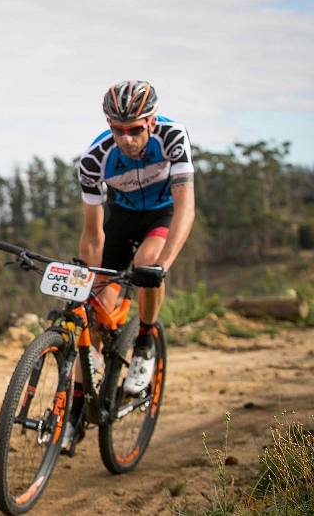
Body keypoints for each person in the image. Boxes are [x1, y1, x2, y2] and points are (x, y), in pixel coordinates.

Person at [68, 80, 195, 449]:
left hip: (161, 215)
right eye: (117, 130)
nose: (126, 139)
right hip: (120, 218)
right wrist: (91, 286)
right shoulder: (95, 158)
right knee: (94, 313)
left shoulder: (172, 136)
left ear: (151, 122)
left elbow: (186, 205)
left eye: (135, 130)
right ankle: (76, 412)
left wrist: (164, 264)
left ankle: (144, 343)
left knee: (147, 264)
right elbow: (93, 235)